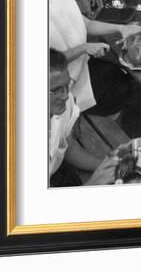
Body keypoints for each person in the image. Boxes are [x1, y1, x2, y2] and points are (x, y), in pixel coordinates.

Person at [49, 0, 141, 113]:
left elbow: (86, 23)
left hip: (83, 64)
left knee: (122, 74)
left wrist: (121, 28)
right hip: (66, 83)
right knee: (122, 86)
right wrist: (85, 48)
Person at [49, 48, 120, 186]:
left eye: (67, 85)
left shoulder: (66, 102)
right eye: (56, 90)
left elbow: (69, 148)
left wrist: (106, 166)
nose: (65, 96)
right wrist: (93, 183)